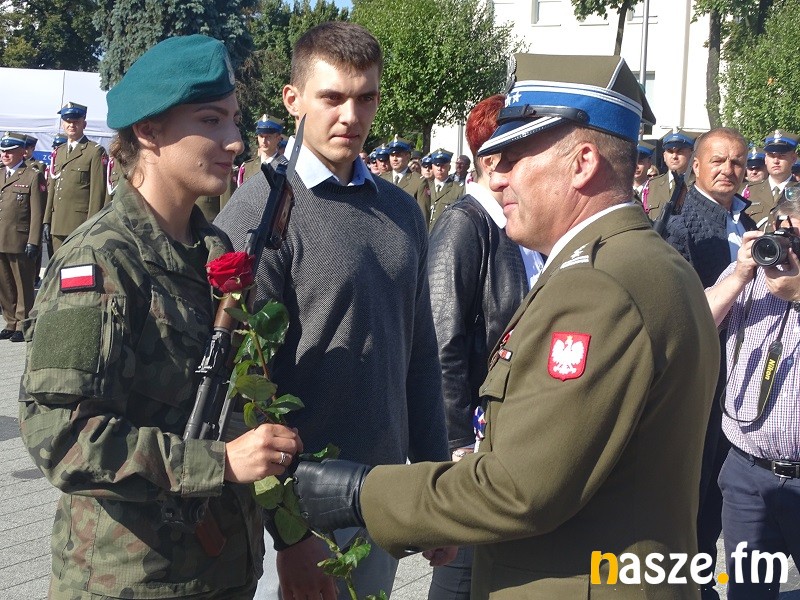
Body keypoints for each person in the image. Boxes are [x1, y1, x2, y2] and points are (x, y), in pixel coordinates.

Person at [293, 52, 721, 600]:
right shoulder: (649, 263)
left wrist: (358, 492)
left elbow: (521, 489)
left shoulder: (597, 287)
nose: (497, 178)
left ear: (582, 163)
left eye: (515, 158)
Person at [18, 34, 302, 599]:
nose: (234, 141)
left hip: (222, 573)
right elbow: (61, 438)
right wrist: (218, 463)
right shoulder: (100, 263)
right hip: (131, 579)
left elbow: (241, 403)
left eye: (234, 120)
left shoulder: (215, 253)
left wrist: (291, 533)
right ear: (148, 132)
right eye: (211, 120)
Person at [214, 22, 449, 600]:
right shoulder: (261, 214)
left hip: (383, 496)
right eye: (333, 97)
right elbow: (241, 388)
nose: (351, 116)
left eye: (366, 98)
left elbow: (419, 356)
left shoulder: (400, 211)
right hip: (302, 512)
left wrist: (436, 487)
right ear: (293, 100)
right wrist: (290, 534)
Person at [426, 93, 544, 600]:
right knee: (461, 575)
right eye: (527, 153)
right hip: (474, 443)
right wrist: (456, 444)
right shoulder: (466, 224)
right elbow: (443, 342)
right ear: (494, 162)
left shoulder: (518, 225)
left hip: (511, 437)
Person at [663, 127, 757, 600]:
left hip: (741, 375)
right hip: (699, 378)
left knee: (720, 489)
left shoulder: (748, 219)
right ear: (695, 165)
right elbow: (678, 312)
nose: (728, 170)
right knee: (692, 491)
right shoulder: (678, 224)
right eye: (718, 161)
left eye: (737, 162)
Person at [705, 198, 800, 599]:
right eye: (784, 235)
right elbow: (695, 324)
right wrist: (741, 274)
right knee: (747, 592)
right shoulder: (749, 275)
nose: (788, 248)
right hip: (746, 473)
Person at [43, 101, 108, 252]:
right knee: (56, 265)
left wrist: (92, 225)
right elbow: (53, 189)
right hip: (57, 223)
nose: (71, 125)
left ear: (84, 124)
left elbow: (97, 193)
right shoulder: (59, 152)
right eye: (68, 121)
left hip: (79, 225)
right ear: (62, 124)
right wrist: (47, 220)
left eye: (76, 122)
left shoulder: (94, 151)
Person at [0, 131, 46, 342]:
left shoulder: (32, 175)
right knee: (4, 284)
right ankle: (10, 321)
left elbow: (37, 212)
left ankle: (23, 323)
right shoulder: (1, 173)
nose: (5, 155)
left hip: (19, 239)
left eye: (9, 151)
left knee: (22, 284)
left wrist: (33, 241)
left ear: (22, 152)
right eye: (3, 151)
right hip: (1, 237)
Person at [744, 130, 799, 228]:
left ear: (793, 158)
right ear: (765, 159)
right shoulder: (749, 192)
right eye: (771, 155)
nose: (776, 161)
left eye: (782, 155)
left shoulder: (797, 190)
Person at [643, 129, 695, 221]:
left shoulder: (699, 184)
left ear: (691, 154)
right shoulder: (651, 185)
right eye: (670, 151)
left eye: (680, 151)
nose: (674, 156)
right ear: (664, 156)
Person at [238, 114, 285, 186]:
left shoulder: (286, 167)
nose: (263, 141)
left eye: (268, 137)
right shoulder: (247, 167)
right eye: (261, 136)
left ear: (278, 139)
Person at [427, 148, 464, 229]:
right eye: (437, 165)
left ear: (449, 167)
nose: (439, 168)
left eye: (443, 165)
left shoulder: (458, 189)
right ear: (432, 167)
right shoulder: (426, 186)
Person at [382, 135, 424, 201]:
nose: (394, 159)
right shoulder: (382, 178)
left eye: (398, 155)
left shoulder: (418, 181)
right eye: (392, 155)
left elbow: (423, 207)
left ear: (408, 156)